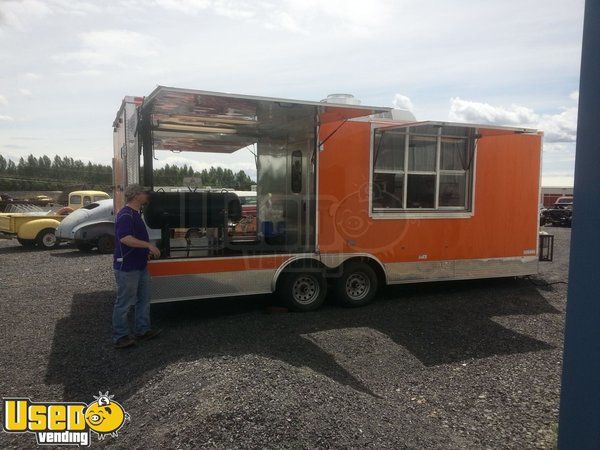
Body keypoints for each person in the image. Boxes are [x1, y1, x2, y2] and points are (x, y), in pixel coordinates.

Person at [112, 184, 162, 349]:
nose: (147, 195)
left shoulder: (134, 214)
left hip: (139, 265)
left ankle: (143, 330)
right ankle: (120, 337)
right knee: (124, 303)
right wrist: (148, 246)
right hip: (128, 267)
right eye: (144, 193)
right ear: (135, 196)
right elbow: (125, 238)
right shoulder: (126, 215)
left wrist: (144, 252)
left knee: (144, 299)